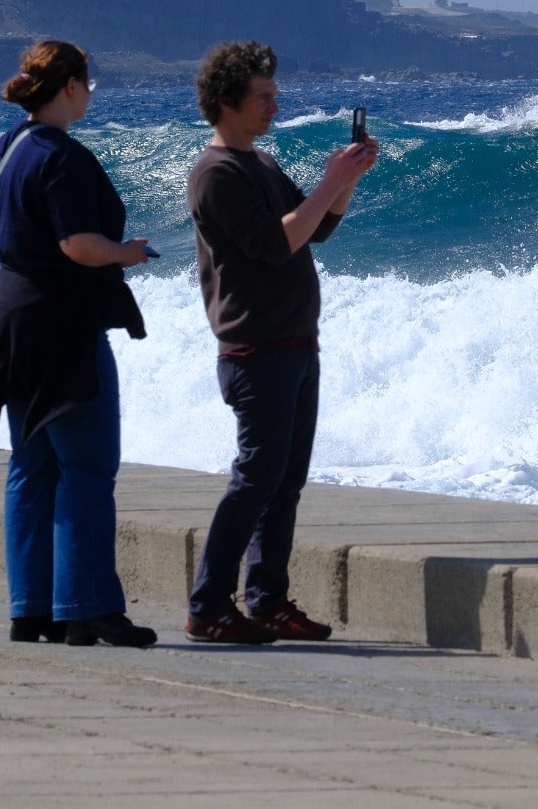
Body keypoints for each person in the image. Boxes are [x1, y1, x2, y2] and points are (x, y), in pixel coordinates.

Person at [0, 39, 158, 648]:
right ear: (68, 86)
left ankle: (31, 609)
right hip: (60, 325)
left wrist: (15, 244)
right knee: (88, 466)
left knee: (33, 465)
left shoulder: (10, 144)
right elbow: (77, 245)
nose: (91, 94)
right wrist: (128, 252)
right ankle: (87, 607)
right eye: (88, 84)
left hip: (9, 319)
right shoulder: (61, 154)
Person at [184, 41, 378, 644]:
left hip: (295, 342)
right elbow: (273, 244)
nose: (274, 104)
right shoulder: (215, 173)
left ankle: (266, 597)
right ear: (227, 102)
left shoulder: (261, 163)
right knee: (256, 478)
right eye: (263, 96)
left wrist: (344, 182)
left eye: (273, 94)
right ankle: (209, 603)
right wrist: (330, 182)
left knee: (284, 482)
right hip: (255, 347)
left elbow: (315, 228)